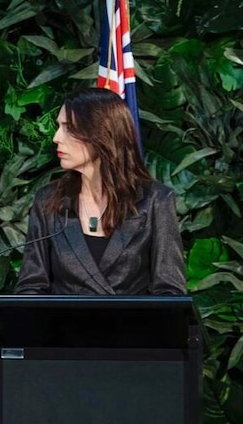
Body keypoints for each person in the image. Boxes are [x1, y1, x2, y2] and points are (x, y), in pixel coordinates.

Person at [15, 87, 186, 295]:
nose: (56, 138)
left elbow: (170, 292)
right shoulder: (49, 200)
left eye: (68, 128)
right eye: (59, 127)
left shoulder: (155, 201)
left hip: (131, 326)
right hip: (64, 326)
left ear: (102, 133)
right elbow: (30, 287)